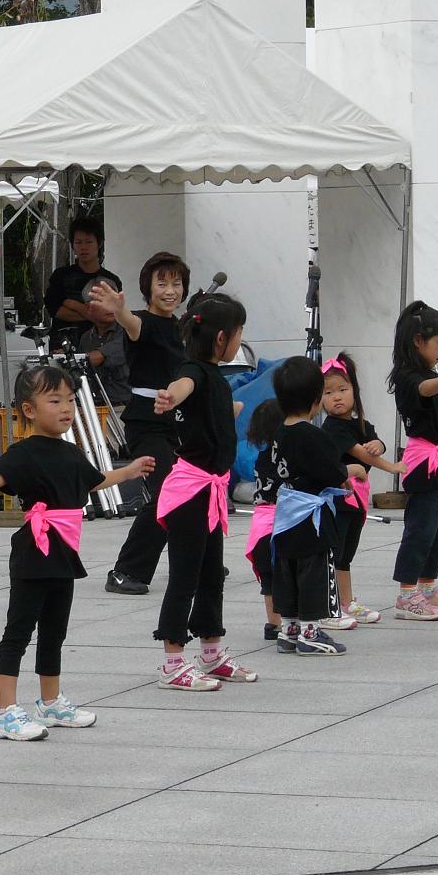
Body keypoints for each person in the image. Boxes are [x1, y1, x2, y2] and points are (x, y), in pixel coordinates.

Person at [0, 367, 154, 742]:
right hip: (35, 552)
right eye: (55, 401)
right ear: (29, 411)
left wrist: (127, 471)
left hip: (64, 554)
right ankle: (5, 712)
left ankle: (50, 702)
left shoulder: (70, 452)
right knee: (18, 631)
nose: (66, 408)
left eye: (70, 400)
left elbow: (96, 480)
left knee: (54, 632)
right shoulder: (24, 453)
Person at [150, 293, 255, 691]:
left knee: (212, 574)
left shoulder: (216, 377)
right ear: (221, 338)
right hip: (191, 490)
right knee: (186, 576)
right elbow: (183, 386)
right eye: (240, 334)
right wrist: (170, 396)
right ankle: (173, 662)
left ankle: (211, 651)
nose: (240, 340)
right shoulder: (194, 370)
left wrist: (226, 416)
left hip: (209, 489)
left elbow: (203, 416)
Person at [91, 252, 191, 596]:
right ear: (147, 288)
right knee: (166, 494)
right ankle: (125, 571)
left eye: (176, 283)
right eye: (161, 283)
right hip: (146, 422)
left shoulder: (182, 327)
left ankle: (197, 560)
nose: (170, 290)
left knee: (195, 491)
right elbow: (134, 326)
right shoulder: (143, 322)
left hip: (180, 421)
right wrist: (120, 311)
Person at [268, 357, 360, 657]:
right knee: (315, 570)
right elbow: (333, 470)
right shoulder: (313, 435)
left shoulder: (279, 432)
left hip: (285, 513)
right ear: (316, 399)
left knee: (288, 569)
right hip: (310, 514)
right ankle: (310, 630)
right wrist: (349, 474)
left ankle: (290, 627)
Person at [387, 301, 438, 622]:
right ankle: (407, 594)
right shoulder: (408, 375)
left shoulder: (428, 372)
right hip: (423, 461)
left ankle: (428, 585)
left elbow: (432, 386)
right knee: (420, 528)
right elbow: (423, 388)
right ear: (418, 341)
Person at [319, 351, 405, 628]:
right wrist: (390, 466)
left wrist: (378, 444)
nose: (337, 397)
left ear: (354, 391)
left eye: (343, 389)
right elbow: (362, 454)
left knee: (346, 554)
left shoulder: (359, 424)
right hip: (338, 498)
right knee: (335, 553)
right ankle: (331, 604)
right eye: (329, 392)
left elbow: (374, 442)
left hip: (358, 499)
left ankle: (346, 602)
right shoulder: (332, 427)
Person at [243, 399, 286, 645]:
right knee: (287, 574)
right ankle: (292, 619)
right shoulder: (287, 456)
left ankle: (273, 623)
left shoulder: (261, 457)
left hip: (260, 526)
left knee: (268, 579)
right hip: (283, 522)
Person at [44, 215, 120, 349]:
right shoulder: (61, 276)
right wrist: (92, 315)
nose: (83, 247)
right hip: (62, 346)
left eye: (89, 242)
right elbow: (55, 310)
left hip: (100, 347)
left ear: (100, 243)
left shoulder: (111, 281)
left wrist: (70, 303)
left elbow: (113, 316)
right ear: (72, 244)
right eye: (78, 242)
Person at [79, 291, 132, 409]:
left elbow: (97, 357)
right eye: (103, 303)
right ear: (88, 308)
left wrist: (69, 359)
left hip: (123, 408)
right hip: (93, 408)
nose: (110, 308)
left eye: (113, 302)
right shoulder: (86, 338)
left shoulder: (128, 330)